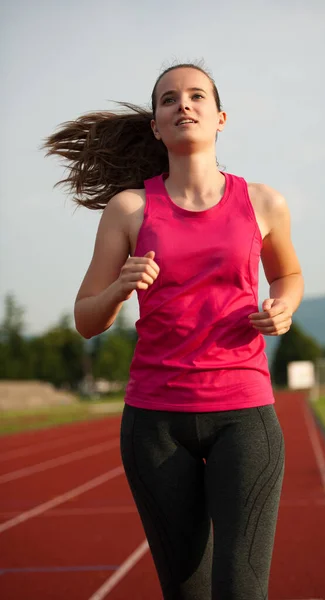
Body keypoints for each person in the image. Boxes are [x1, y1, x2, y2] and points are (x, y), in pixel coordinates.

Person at [44, 62, 304, 600]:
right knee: (187, 592)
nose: (182, 105)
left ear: (220, 118)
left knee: (242, 590)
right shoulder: (129, 209)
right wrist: (119, 287)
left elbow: (288, 274)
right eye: (168, 100)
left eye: (196, 96)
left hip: (245, 415)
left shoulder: (263, 203)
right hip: (155, 423)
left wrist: (284, 305)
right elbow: (86, 319)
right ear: (157, 127)